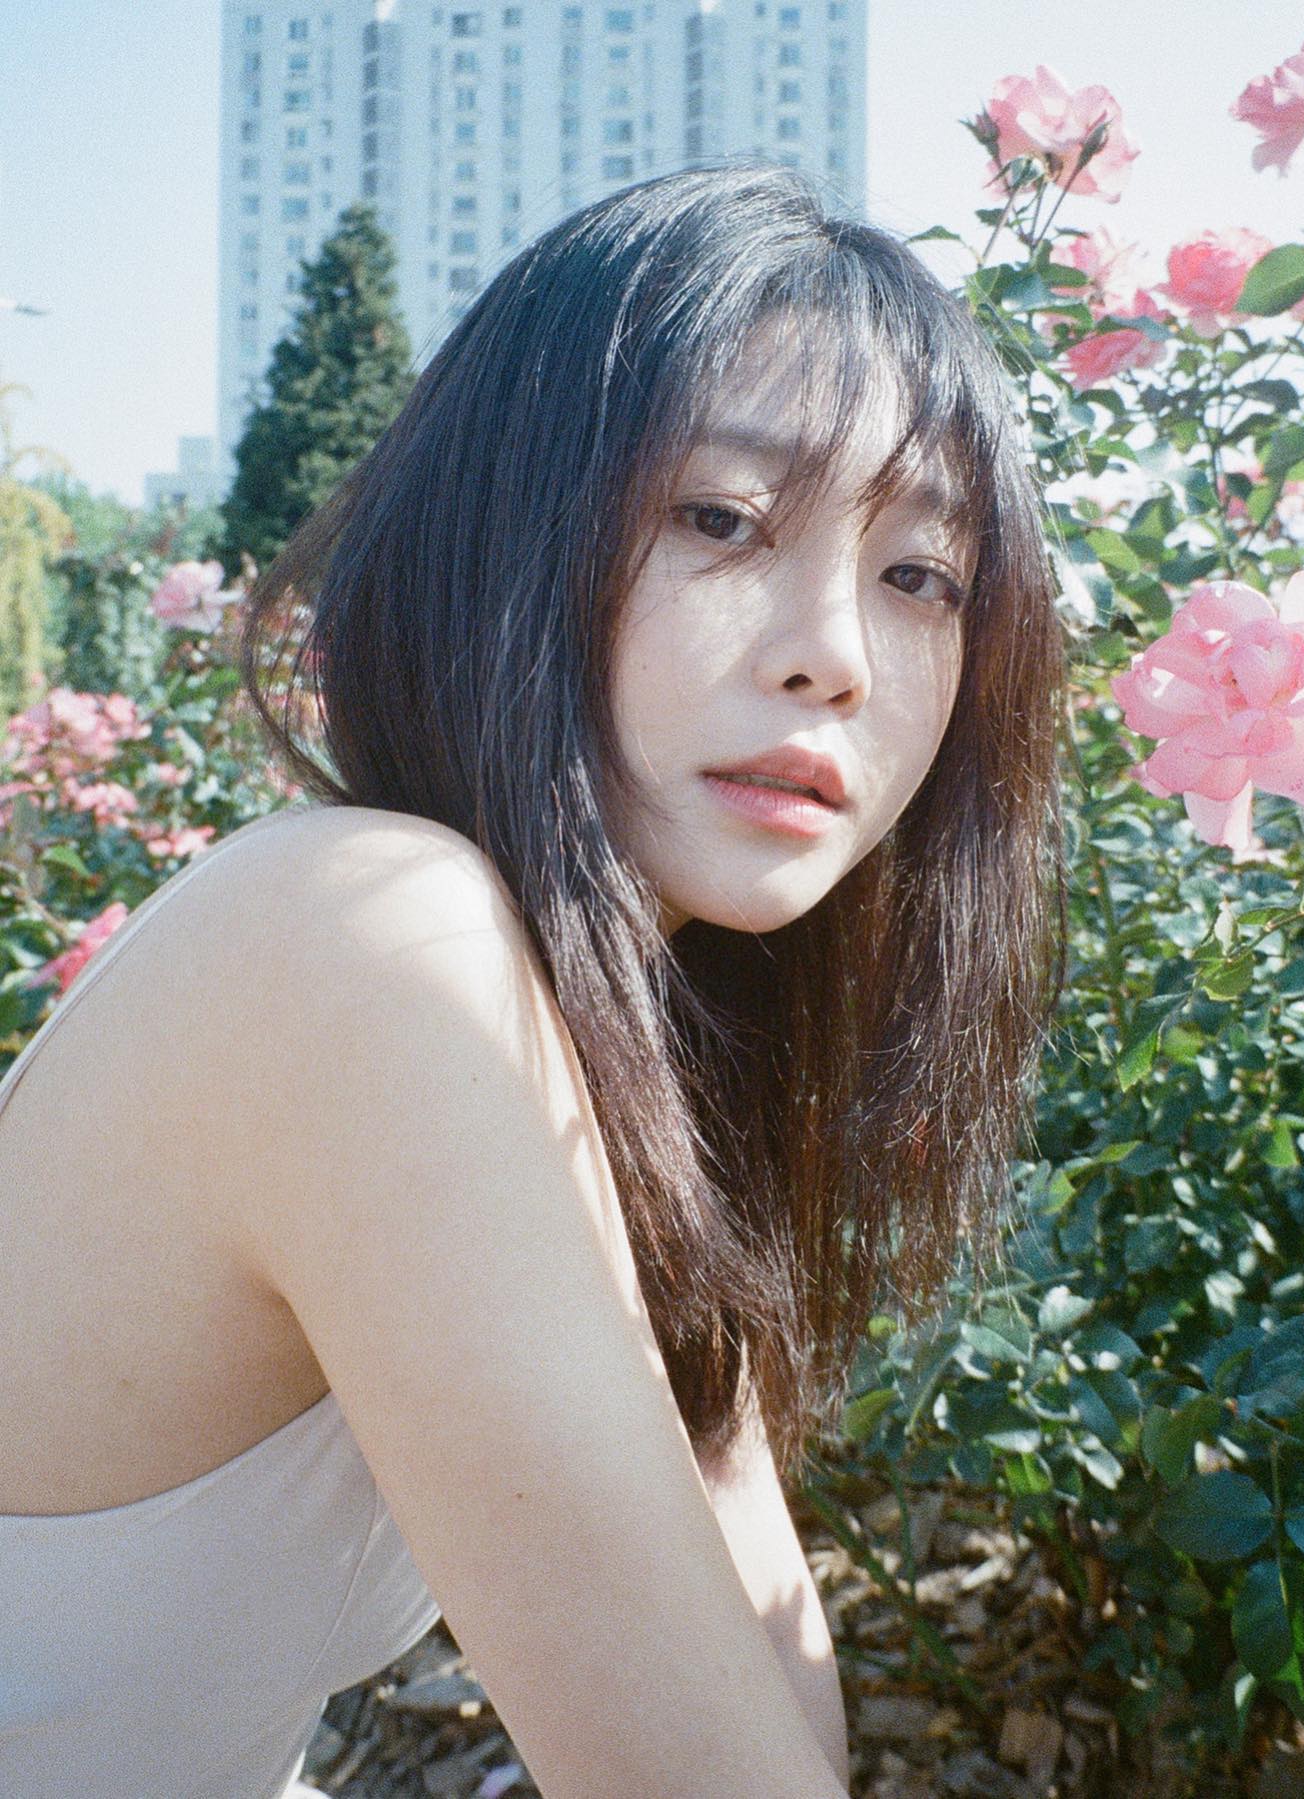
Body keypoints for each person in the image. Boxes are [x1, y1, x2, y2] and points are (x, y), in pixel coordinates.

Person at [0, 162, 1064, 1797]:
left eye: (921, 575)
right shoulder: (366, 935)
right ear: (505, 524)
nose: (836, 653)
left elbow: (775, 1723)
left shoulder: (623, 1032)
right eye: (722, 518)